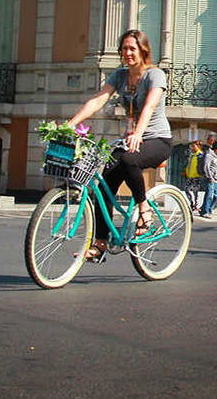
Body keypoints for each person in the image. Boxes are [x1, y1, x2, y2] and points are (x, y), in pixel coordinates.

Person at [67, 29, 171, 261]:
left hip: (157, 139)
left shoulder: (155, 75)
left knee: (128, 158)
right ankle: (100, 243)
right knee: (104, 185)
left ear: (143, 50)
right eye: (124, 48)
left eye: (132, 48)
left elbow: (150, 107)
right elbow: (98, 99)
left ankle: (144, 209)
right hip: (131, 140)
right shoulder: (121, 76)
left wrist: (138, 133)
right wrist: (70, 124)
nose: (128, 53)